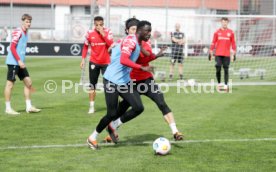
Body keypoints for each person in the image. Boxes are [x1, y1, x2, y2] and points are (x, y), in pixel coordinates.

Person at [104, 21, 184, 143]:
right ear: (127, 31)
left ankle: (175, 131)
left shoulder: (143, 43)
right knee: (121, 109)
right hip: (129, 81)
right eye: (131, 29)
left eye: (135, 29)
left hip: (146, 80)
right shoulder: (124, 42)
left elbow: (147, 56)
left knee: (161, 102)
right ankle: (112, 130)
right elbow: (117, 55)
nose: (134, 32)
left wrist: (156, 55)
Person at [87, 19, 153, 150]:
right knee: (111, 113)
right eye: (147, 31)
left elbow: (146, 55)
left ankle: (113, 125)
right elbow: (123, 60)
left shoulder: (138, 42)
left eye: (150, 31)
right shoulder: (131, 41)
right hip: (111, 80)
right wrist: (141, 68)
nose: (149, 33)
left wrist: (156, 55)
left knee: (138, 107)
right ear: (139, 30)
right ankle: (92, 137)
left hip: (124, 81)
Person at [4, 14, 41, 115]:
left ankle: (29, 107)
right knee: (10, 85)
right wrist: (19, 60)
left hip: (20, 63)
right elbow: (12, 47)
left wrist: (21, 62)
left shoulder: (26, 32)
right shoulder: (18, 31)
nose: (28, 24)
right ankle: (8, 108)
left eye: (30, 22)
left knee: (28, 82)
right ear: (22, 22)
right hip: (13, 62)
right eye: (27, 22)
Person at [80, 16, 114, 114]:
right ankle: (91, 107)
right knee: (92, 85)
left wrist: (103, 34)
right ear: (94, 25)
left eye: (101, 24)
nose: (99, 26)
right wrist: (83, 59)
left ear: (103, 24)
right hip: (94, 62)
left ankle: (112, 106)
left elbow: (111, 44)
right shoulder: (89, 33)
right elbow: (85, 47)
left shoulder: (108, 32)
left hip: (106, 63)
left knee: (109, 85)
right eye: (97, 25)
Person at [209, 17, 236, 90]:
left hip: (227, 54)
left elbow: (233, 43)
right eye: (223, 22)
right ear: (221, 22)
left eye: (226, 22)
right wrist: (211, 51)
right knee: (218, 67)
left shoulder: (231, 32)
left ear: (227, 23)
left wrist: (234, 53)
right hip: (218, 54)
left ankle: (226, 85)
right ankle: (219, 83)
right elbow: (213, 42)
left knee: (226, 69)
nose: (224, 23)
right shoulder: (217, 32)